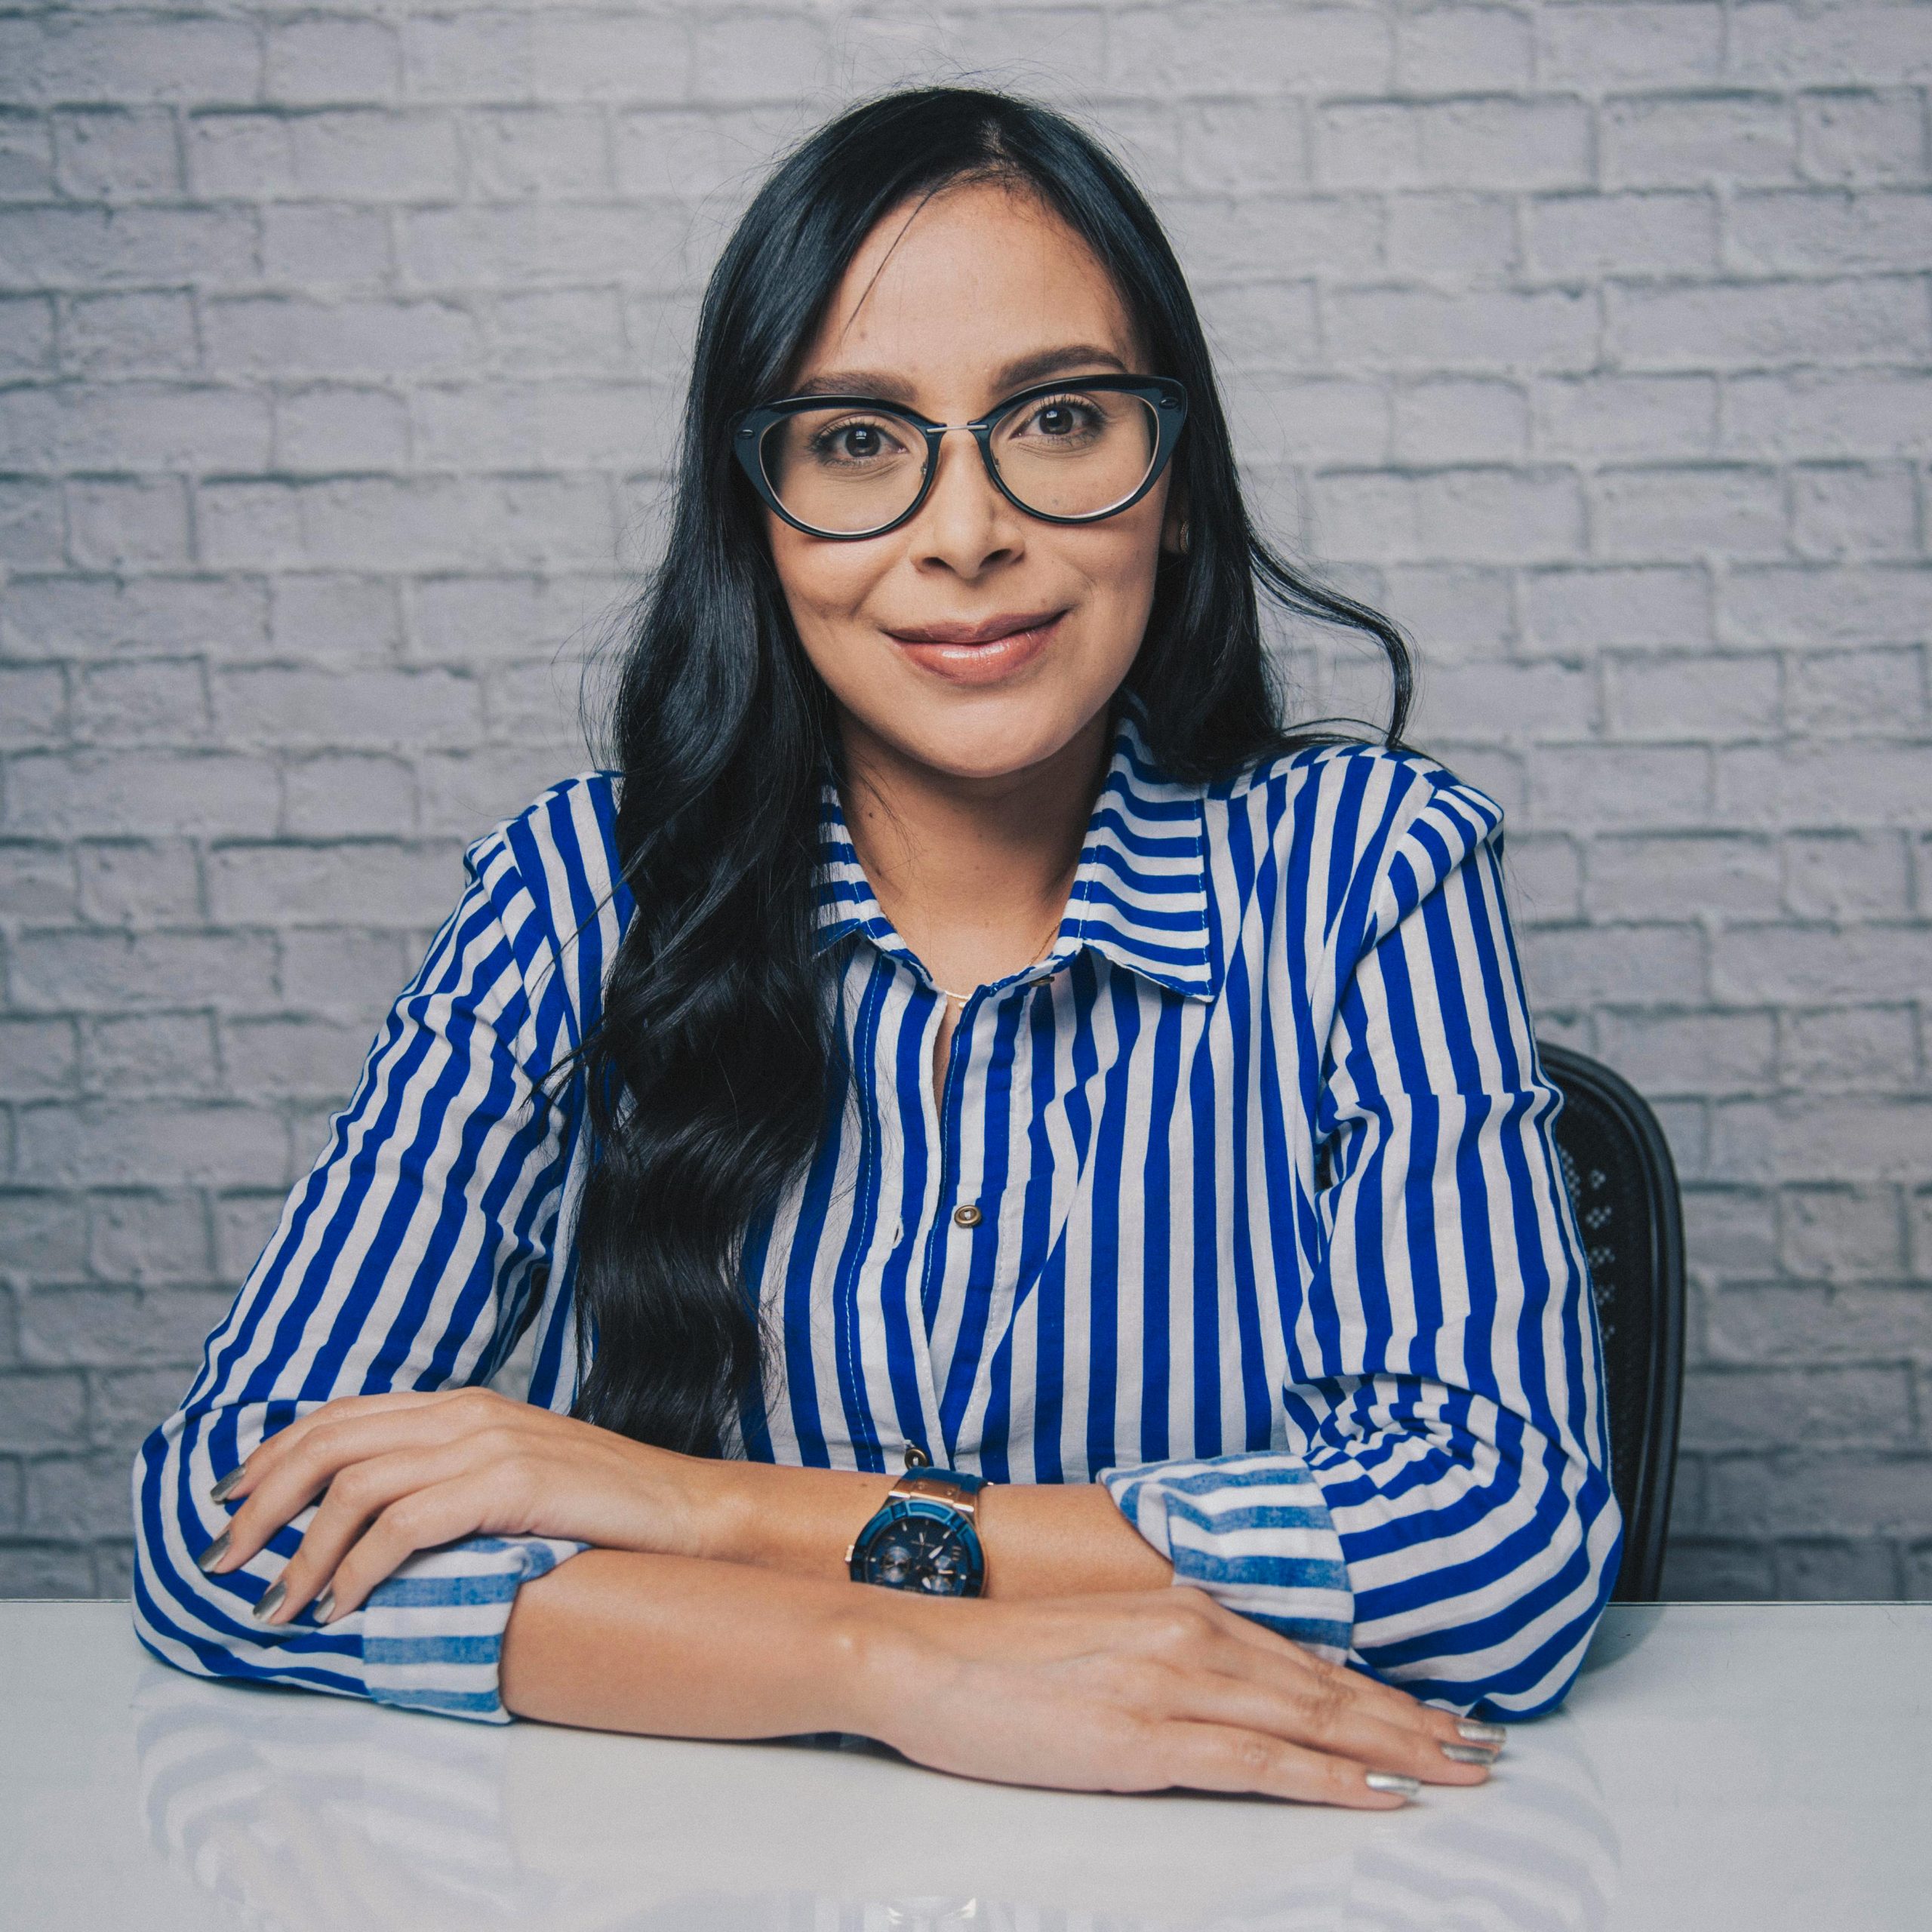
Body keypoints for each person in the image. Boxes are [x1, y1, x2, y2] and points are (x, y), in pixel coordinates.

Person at [131, 86, 1620, 1810]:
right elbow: (221, 1529)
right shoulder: (573, 891)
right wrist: (895, 1664)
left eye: (1055, 418)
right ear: (753, 526)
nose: (963, 529)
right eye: (854, 440)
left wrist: (714, 1512)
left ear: (1177, 483)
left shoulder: (1364, 865)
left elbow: (1495, 1553)